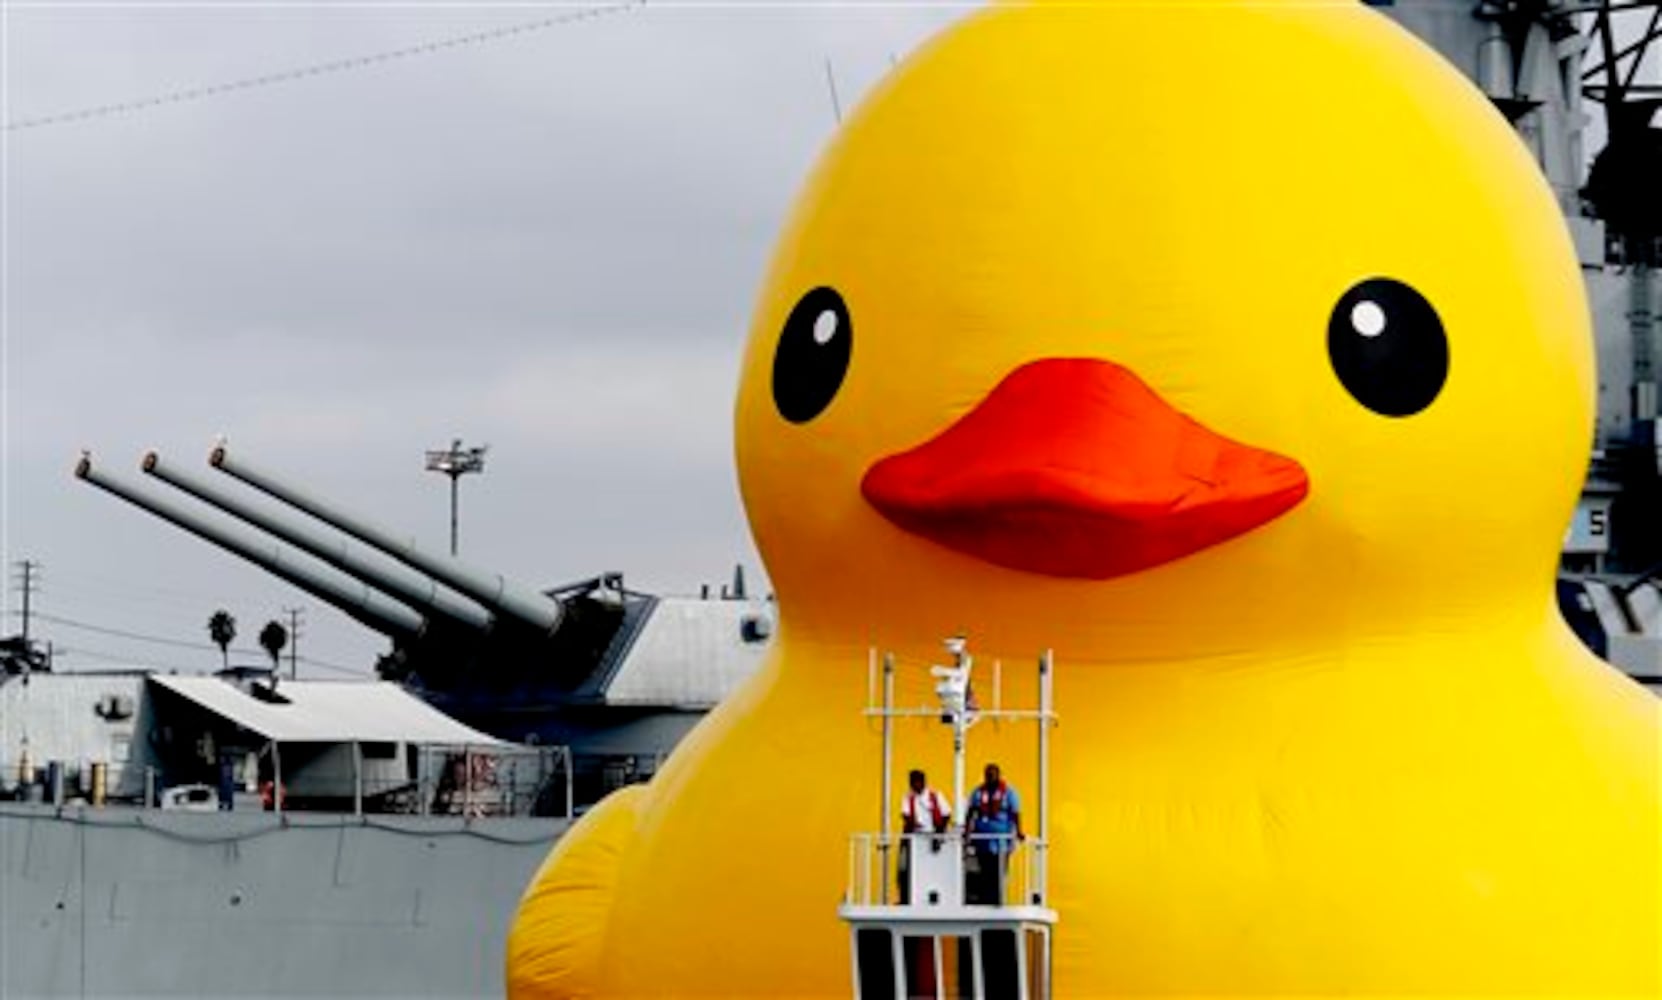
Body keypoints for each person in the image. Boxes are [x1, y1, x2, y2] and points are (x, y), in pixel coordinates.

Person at [964, 762, 1023, 905]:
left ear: (998, 775)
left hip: (1001, 842)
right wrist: (967, 832)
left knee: (999, 871)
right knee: (984, 870)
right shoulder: (978, 792)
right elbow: (971, 813)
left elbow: (1015, 813)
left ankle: (997, 899)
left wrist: (1019, 831)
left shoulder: (1009, 792)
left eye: (992, 774)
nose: (989, 777)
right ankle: (985, 899)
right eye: (987, 774)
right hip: (982, 841)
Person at [897, 769, 951, 904]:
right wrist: (913, 826)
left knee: (935, 868)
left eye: (916, 781)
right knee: (905, 868)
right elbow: (905, 815)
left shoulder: (936, 795)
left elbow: (946, 815)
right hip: (915, 838)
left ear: (923, 782)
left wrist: (938, 835)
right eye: (911, 782)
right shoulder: (908, 797)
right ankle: (906, 898)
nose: (914, 785)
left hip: (933, 836)